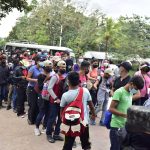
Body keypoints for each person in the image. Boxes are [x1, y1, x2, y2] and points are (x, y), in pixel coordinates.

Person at [60, 72, 96, 150]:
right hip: (84, 122)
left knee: (68, 145)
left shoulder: (65, 95)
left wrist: (63, 121)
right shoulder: (85, 91)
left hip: (70, 123)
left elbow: (62, 111)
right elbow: (91, 105)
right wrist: (93, 115)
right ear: (79, 81)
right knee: (86, 144)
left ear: (68, 82)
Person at [109, 75, 144, 150]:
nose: (136, 91)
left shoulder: (130, 92)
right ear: (131, 83)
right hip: (116, 127)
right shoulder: (119, 92)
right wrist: (125, 115)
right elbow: (111, 109)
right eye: (136, 89)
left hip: (124, 127)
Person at [46, 60, 66, 143]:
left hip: (62, 101)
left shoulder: (64, 77)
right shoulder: (55, 77)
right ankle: (49, 134)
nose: (63, 68)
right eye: (62, 67)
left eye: (64, 67)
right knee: (52, 118)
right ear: (58, 68)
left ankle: (56, 134)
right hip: (54, 101)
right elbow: (49, 88)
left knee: (60, 119)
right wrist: (56, 98)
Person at [34, 60, 54, 136]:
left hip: (49, 96)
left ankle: (45, 127)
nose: (50, 68)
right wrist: (47, 79)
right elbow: (40, 86)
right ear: (45, 67)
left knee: (48, 112)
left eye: (51, 66)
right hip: (42, 96)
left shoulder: (52, 74)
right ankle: (36, 127)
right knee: (42, 112)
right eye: (48, 66)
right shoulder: (41, 75)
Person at [26, 56, 43, 125]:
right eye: (40, 60)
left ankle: (36, 119)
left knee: (37, 104)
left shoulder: (42, 69)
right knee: (32, 104)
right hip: (31, 88)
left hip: (38, 88)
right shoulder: (33, 68)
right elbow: (27, 78)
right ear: (37, 61)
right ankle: (30, 119)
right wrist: (35, 80)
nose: (41, 62)